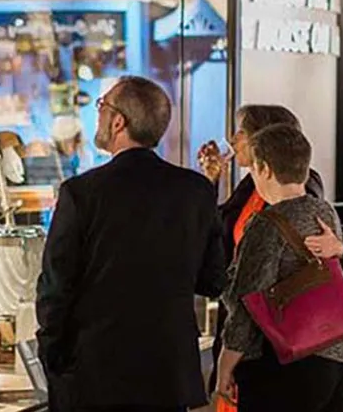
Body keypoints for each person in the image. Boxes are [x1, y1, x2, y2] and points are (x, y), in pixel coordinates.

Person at [36, 75, 225, 412]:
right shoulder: (196, 191)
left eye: (102, 105)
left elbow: (55, 287)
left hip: (94, 372)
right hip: (168, 373)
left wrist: (52, 357)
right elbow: (213, 280)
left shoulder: (81, 193)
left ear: (119, 121)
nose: (98, 114)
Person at [197, 105, 343, 408]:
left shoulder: (270, 218)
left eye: (241, 131)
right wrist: (211, 182)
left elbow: (248, 296)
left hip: (278, 349)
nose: (232, 138)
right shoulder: (258, 191)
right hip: (328, 351)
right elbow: (218, 234)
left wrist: (225, 364)